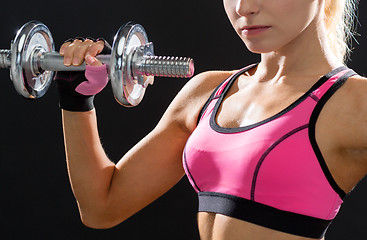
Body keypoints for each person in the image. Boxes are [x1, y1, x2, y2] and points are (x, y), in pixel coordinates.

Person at [55, 0, 364, 239]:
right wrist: (75, 99)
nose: (244, 8)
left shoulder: (354, 102)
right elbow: (101, 207)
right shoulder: (207, 92)